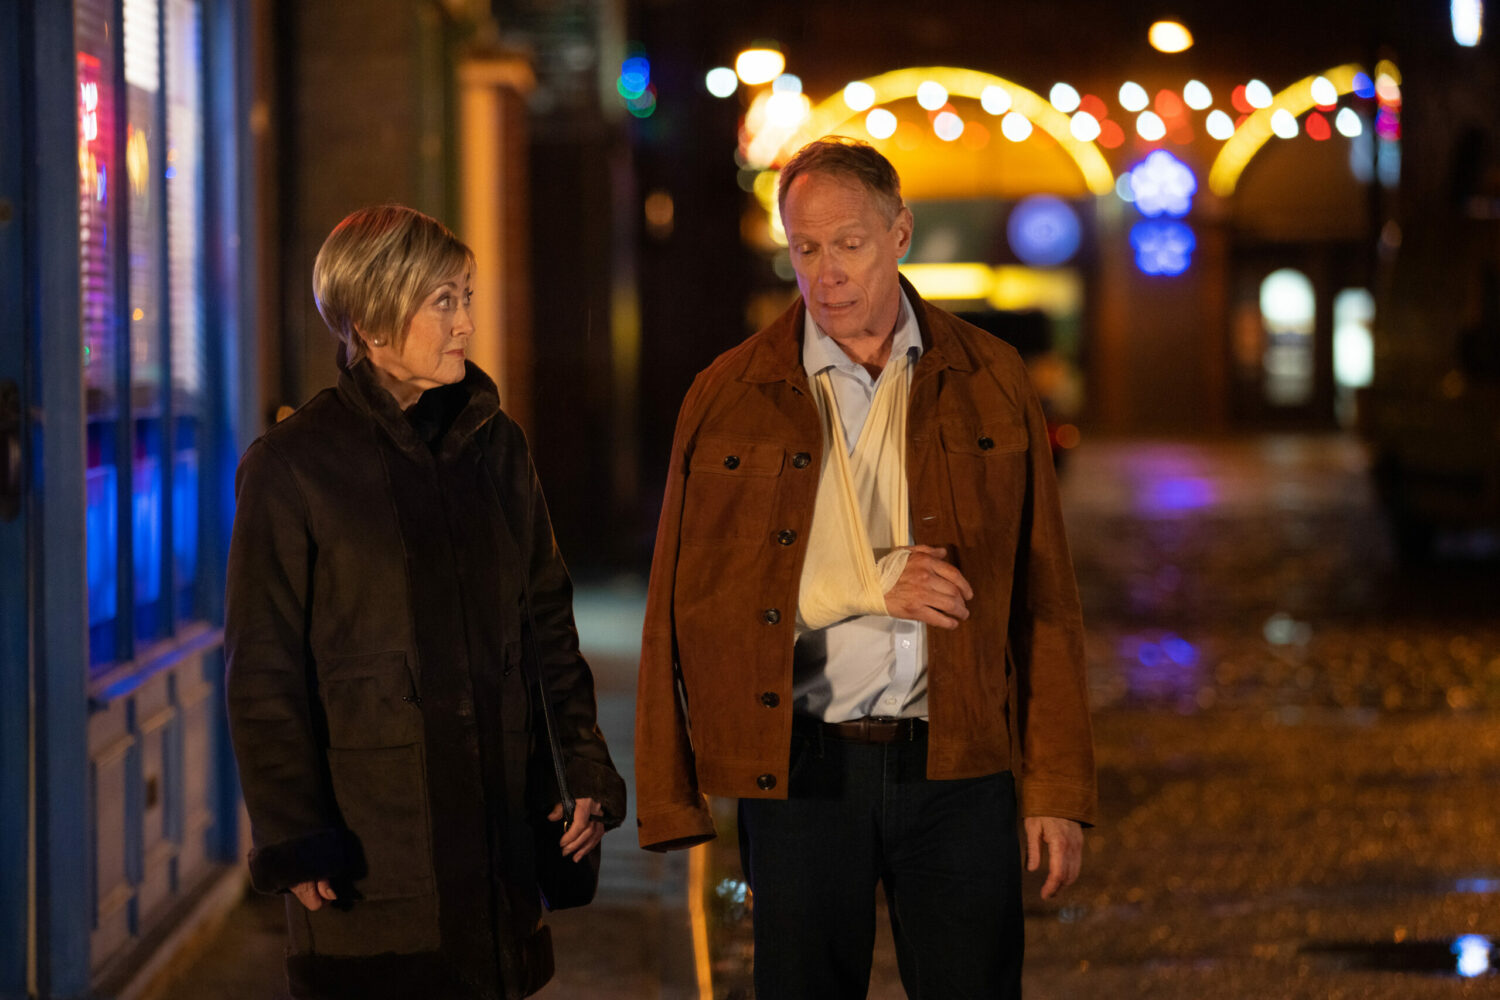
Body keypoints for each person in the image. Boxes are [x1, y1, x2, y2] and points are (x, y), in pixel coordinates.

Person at [635, 137, 1095, 998]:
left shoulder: (990, 379)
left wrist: (1058, 786)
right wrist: (862, 585)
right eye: (805, 248)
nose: (826, 272)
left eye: (848, 244)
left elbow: (1046, 600)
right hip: (805, 768)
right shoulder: (729, 394)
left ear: (900, 234)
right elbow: (686, 601)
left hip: (959, 766)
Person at [226, 205, 625, 1000]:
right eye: (443, 301)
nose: (466, 323)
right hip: (375, 846)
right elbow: (263, 669)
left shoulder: (496, 446)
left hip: (498, 840)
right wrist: (298, 835)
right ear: (372, 319)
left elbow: (547, 621)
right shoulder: (294, 466)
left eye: (466, 296)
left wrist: (581, 762)